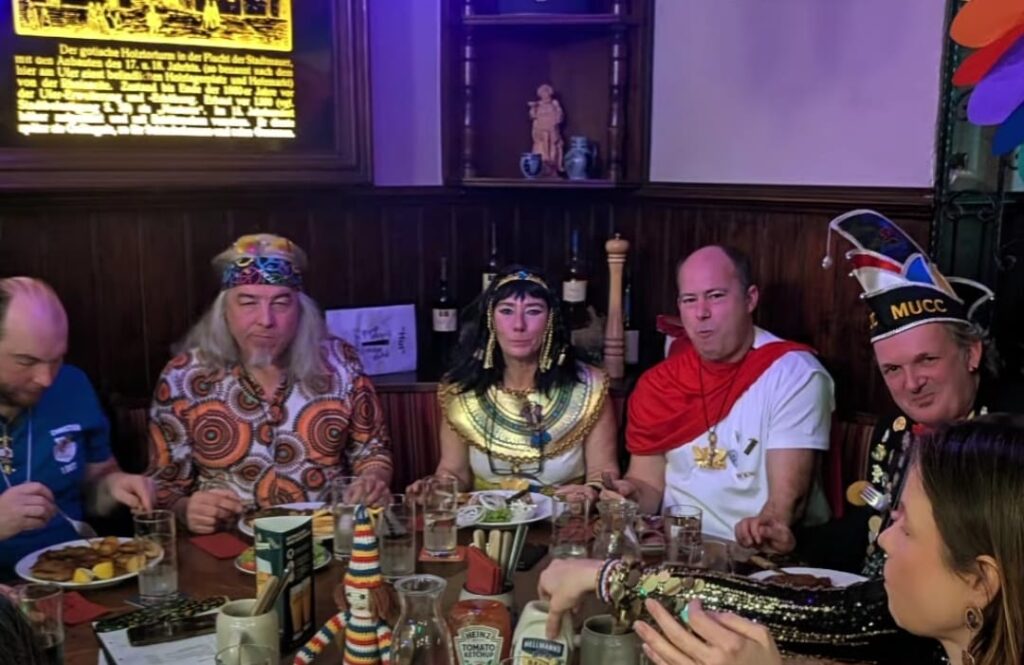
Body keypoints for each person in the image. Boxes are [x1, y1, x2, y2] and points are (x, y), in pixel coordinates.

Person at [539, 414, 1024, 665]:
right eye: (892, 519)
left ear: (981, 581)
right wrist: (611, 577)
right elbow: (811, 611)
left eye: (908, 528)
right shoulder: (938, 638)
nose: (885, 542)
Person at [797, 210, 1022, 575]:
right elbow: (872, 524)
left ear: (971, 353)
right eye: (893, 369)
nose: (912, 383)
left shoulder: (1010, 433)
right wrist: (794, 546)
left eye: (927, 360)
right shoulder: (896, 428)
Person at [146, 234, 392, 535]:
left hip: (327, 535)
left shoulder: (340, 362)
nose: (266, 320)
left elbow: (371, 451)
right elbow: (163, 484)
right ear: (224, 311)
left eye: (281, 303)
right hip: (228, 541)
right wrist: (186, 509)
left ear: (301, 311)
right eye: (248, 302)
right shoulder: (183, 376)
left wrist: (373, 480)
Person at [607, 246, 833, 549]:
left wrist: (767, 526)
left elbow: (787, 503)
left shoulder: (794, 374)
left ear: (750, 299)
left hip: (752, 555)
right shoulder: (660, 384)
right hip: (673, 551)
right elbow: (647, 485)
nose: (701, 312)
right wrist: (629, 495)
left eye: (715, 296)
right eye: (690, 300)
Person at [407, 266, 619, 500]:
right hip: (486, 518)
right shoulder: (460, 390)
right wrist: (435, 487)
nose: (519, 325)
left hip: (565, 516)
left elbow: (603, 472)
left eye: (533, 311)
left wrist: (592, 491)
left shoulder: (590, 387)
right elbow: (454, 472)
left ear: (551, 321)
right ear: (490, 320)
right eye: (506, 311)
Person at [0, 278, 153, 575]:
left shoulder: (72, 384)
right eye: (26, 361)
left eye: (56, 359)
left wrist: (114, 486)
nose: (46, 378)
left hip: (74, 571)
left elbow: (96, 482)